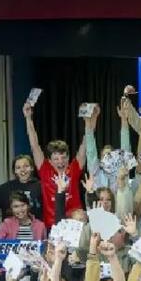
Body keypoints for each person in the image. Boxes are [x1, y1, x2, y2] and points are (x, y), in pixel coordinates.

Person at [23, 94, 93, 226]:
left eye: (64, 157)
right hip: (53, 225)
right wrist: (28, 118)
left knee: (80, 216)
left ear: (68, 157)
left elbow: (85, 146)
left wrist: (88, 123)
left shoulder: (74, 168)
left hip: (76, 222)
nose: (61, 162)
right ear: (49, 160)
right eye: (56, 159)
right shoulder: (44, 170)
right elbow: (34, 145)